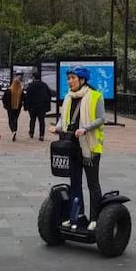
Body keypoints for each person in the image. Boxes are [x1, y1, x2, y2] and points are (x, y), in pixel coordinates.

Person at [48, 66, 105, 231]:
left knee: (92, 184)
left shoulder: (95, 96)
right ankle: (77, 215)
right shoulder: (68, 97)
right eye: (69, 78)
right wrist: (57, 127)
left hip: (90, 148)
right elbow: (63, 119)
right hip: (71, 146)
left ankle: (95, 218)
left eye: (73, 78)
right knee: (75, 183)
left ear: (82, 80)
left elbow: (102, 119)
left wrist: (86, 128)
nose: (69, 81)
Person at [24, 70, 53, 141]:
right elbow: (49, 95)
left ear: (33, 77)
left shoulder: (30, 86)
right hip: (42, 107)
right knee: (41, 121)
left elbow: (27, 97)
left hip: (32, 107)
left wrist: (26, 106)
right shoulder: (44, 85)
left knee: (32, 120)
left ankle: (31, 132)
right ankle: (41, 135)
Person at [1, 74, 24, 141]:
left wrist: (5, 106)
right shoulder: (20, 91)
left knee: (10, 119)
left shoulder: (9, 90)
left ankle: (13, 131)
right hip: (18, 107)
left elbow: (3, 99)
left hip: (10, 107)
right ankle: (15, 130)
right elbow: (23, 99)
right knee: (15, 119)